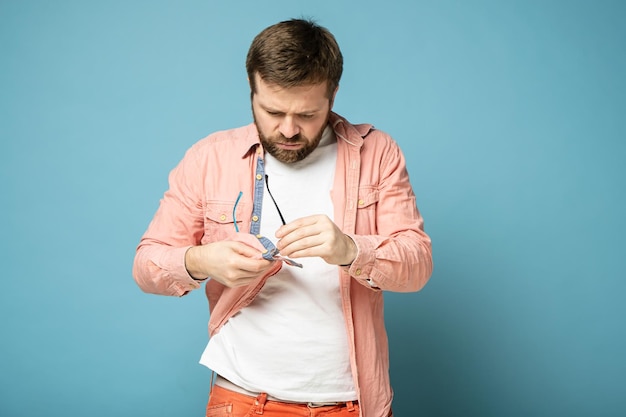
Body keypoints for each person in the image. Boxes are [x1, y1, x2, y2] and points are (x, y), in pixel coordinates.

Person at [133, 18, 433, 417]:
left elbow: (418, 264)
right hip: (242, 400)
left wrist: (350, 249)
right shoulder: (209, 158)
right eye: (272, 111)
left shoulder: (377, 152)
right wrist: (204, 260)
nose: (288, 130)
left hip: (352, 403)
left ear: (333, 94)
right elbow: (146, 265)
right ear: (251, 90)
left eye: (307, 115)